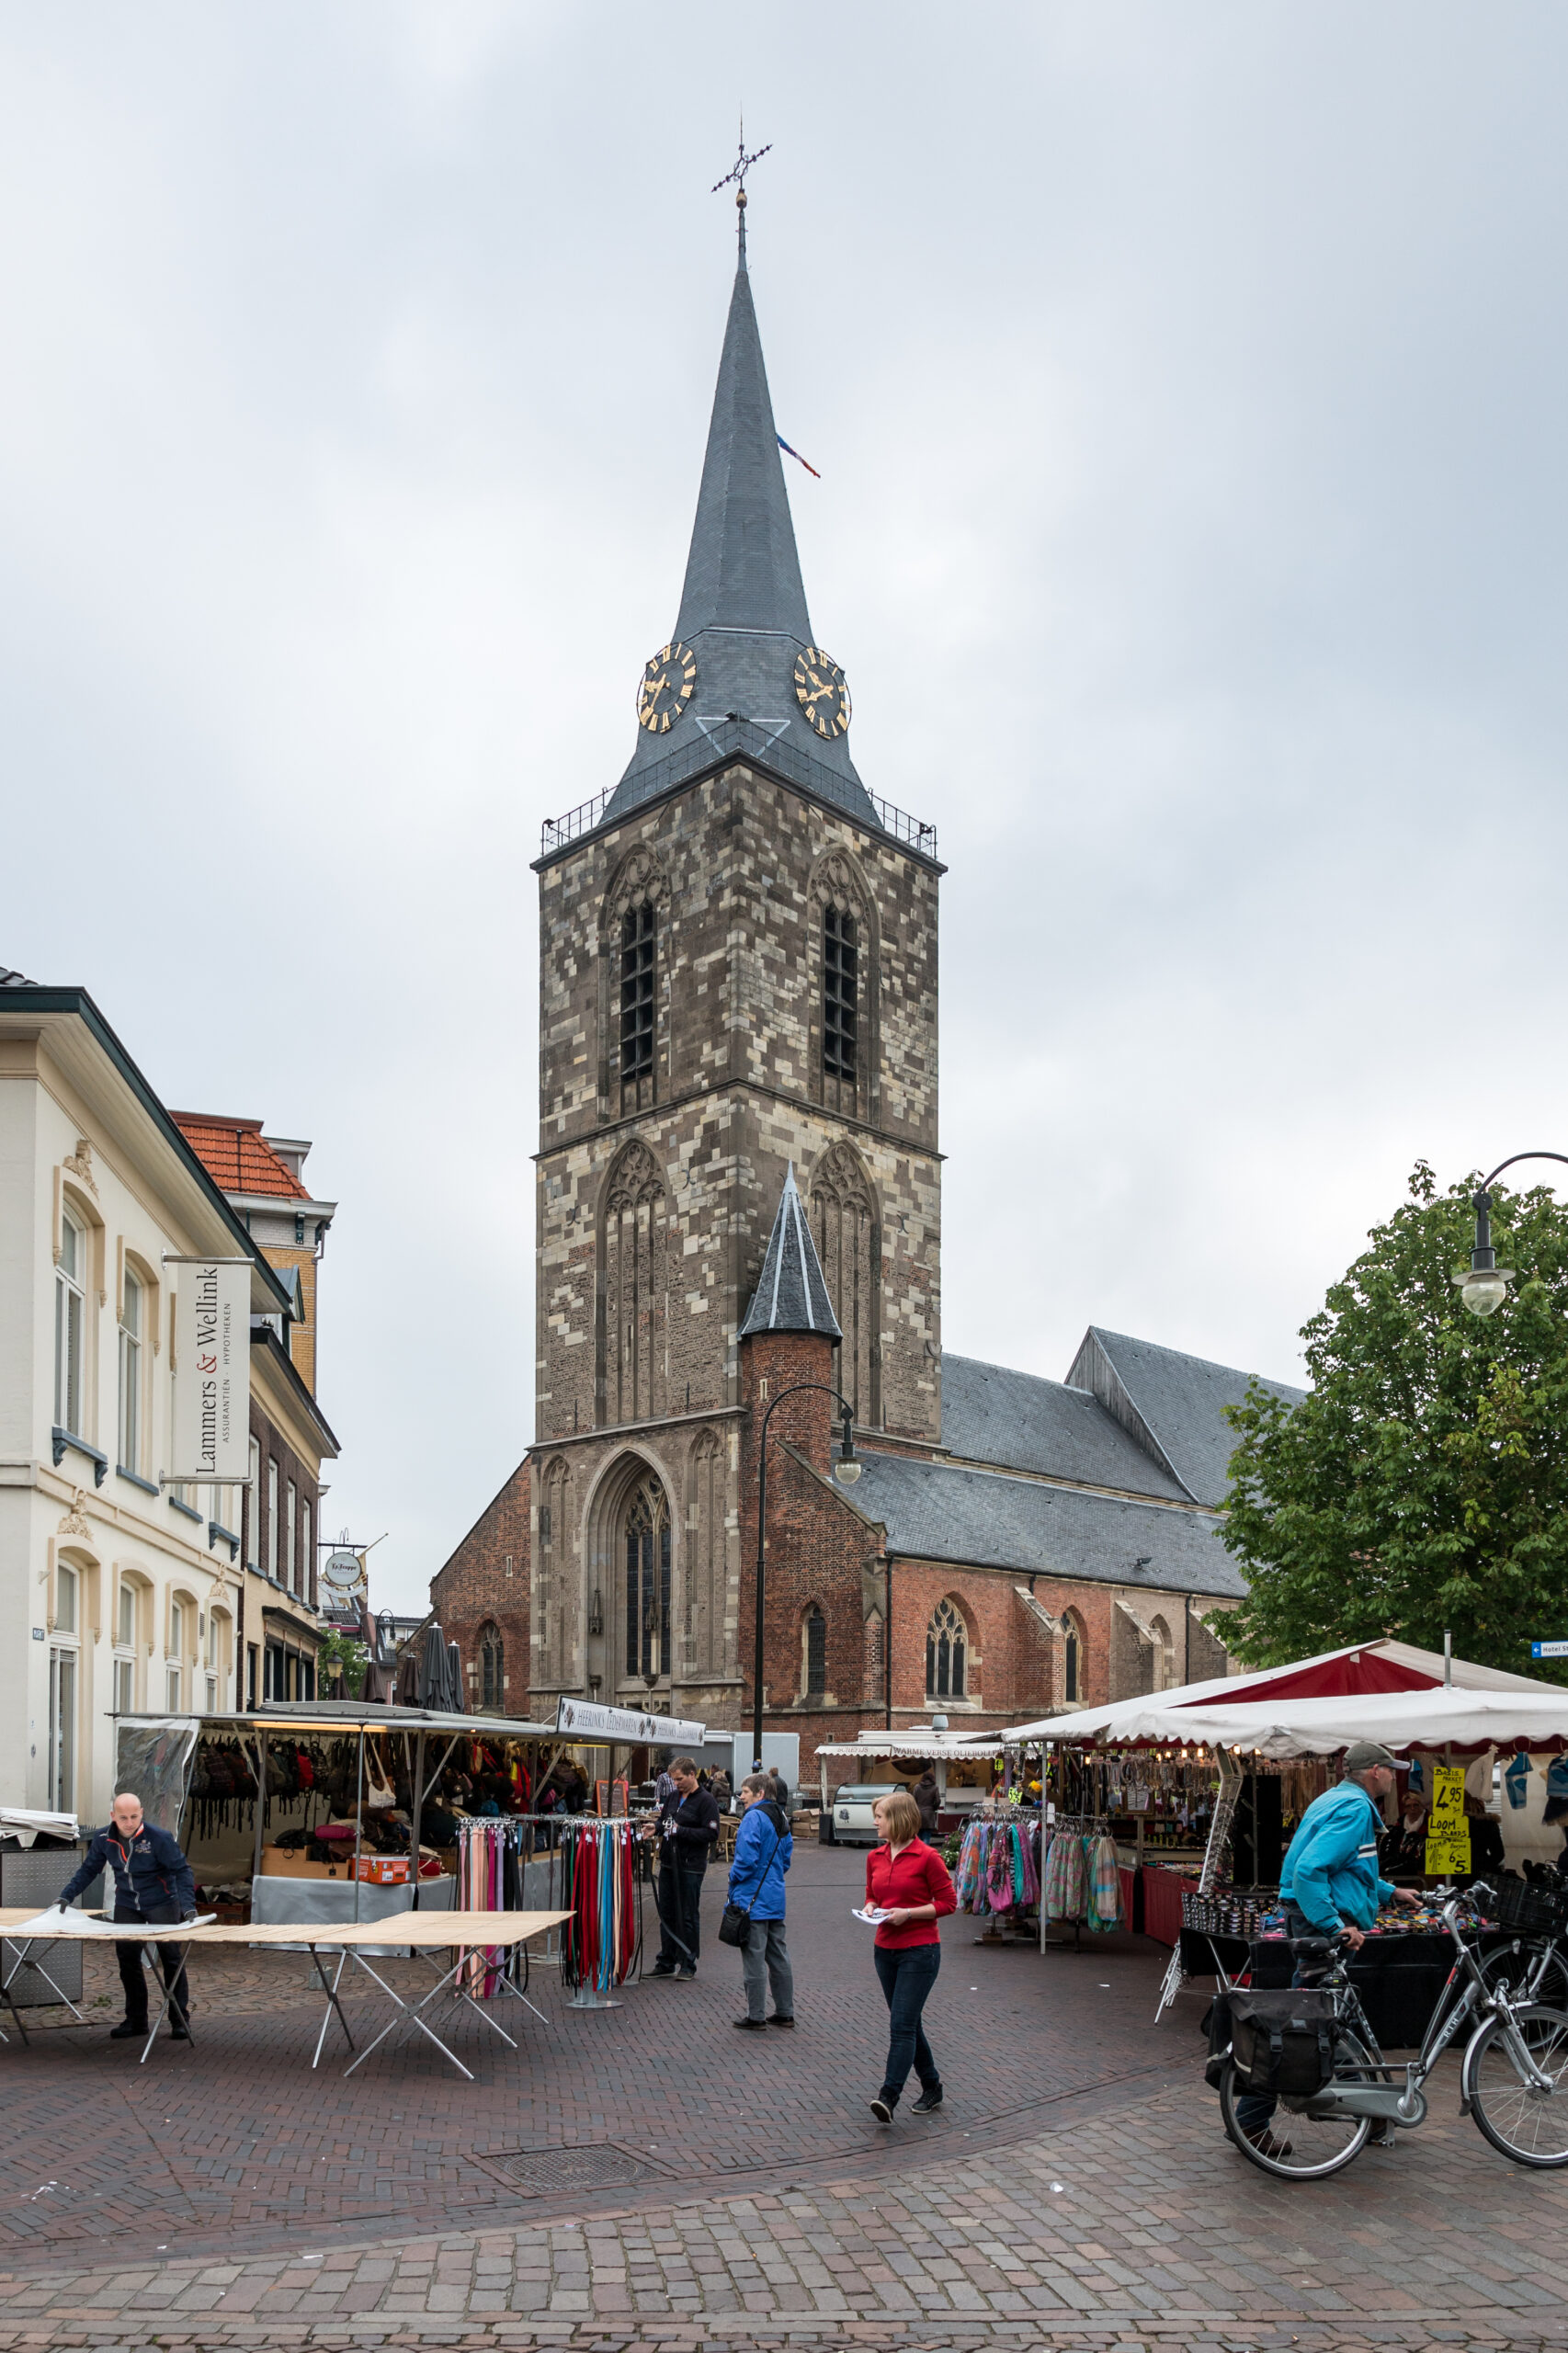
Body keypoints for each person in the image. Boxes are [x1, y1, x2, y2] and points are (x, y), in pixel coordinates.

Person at [1233, 1741, 1423, 2159]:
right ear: (1375, 1771)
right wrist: (1336, 1927)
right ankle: (1253, 2119)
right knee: (1310, 2025)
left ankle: (1368, 2112)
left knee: (1323, 2018)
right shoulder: (1355, 1810)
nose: (1394, 1777)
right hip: (1321, 1921)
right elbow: (1308, 1870)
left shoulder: (1334, 1799)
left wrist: (1390, 1892)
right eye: (1390, 1770)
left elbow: (1346, 1867)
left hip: (1312, 1916)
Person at [56, 1791, 197, 2041]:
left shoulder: (159, 1838)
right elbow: (89, 1870)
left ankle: (179, 2020)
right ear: (113, 1816)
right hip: (127, 1903)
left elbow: (182, 1871)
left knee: (171, 1958)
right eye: (123, 1818)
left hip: (161, 1901)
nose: (129, 1823)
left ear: (141, 1813)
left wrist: (187, 1907)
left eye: (134, 1816)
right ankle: (136, 2020)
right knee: (128, 1959)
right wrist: (66, 1896)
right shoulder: (103, 1838)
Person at [864, 1786, 957, 2122]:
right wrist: (870, 1907)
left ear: (898, 1819)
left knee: (901, 2025)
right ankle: (932, 2085)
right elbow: (872, 1894)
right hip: (884, 1950)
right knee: (909, 2023)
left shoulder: (928, 1857)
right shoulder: (875, 1857)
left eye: (880, 1816)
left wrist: (909, 1913)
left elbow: (949, 1903)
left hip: (920, 1951)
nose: (875, 1822)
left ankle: (888, 2097)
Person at [728, 1772, 794, 2032]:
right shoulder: (781, 1817)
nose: (741, 1797)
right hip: (775, 1896)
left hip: (752, 1898)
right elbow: (786, 1859)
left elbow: (745, 1860)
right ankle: (785, 2012)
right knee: (778, 1956)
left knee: (753, 1957)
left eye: (745, 1792)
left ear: (760, 1793)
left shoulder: (753, 1817)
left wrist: (733, 1878)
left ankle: (755, 2015)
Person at [646, 1756, 720, 1979]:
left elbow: (711, 1833)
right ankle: (666, 1961)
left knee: (687, 1914)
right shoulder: (672, 1797)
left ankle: (688, 1963)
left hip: (690, 1866)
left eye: (679, 1779)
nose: (676, 1783)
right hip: (669, 1862)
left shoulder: (706, 1801)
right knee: (666, 1912)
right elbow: (667, 1822)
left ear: (692, 1775)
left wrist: (681, 1831)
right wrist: (657, 1827)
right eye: (673, 1779)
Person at [1380, 1790, 1429, 1881]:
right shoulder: (1398, 1826)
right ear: (1405, 1809)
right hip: (1401, 1865)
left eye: (1415, 1805)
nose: (1412, 1809)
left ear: (1422, 1806)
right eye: (1408, 1806)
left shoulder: (1430, 1824)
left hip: (1421, 1868)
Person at [912, 1769, 941, 1836]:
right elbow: (938, 1801)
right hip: (929, 1814)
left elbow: (913, 1800)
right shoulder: (935, 1788)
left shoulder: (917, 1787)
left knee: (918, 1837)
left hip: (918, 1814)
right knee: (926, 1837)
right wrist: (933, 1808)